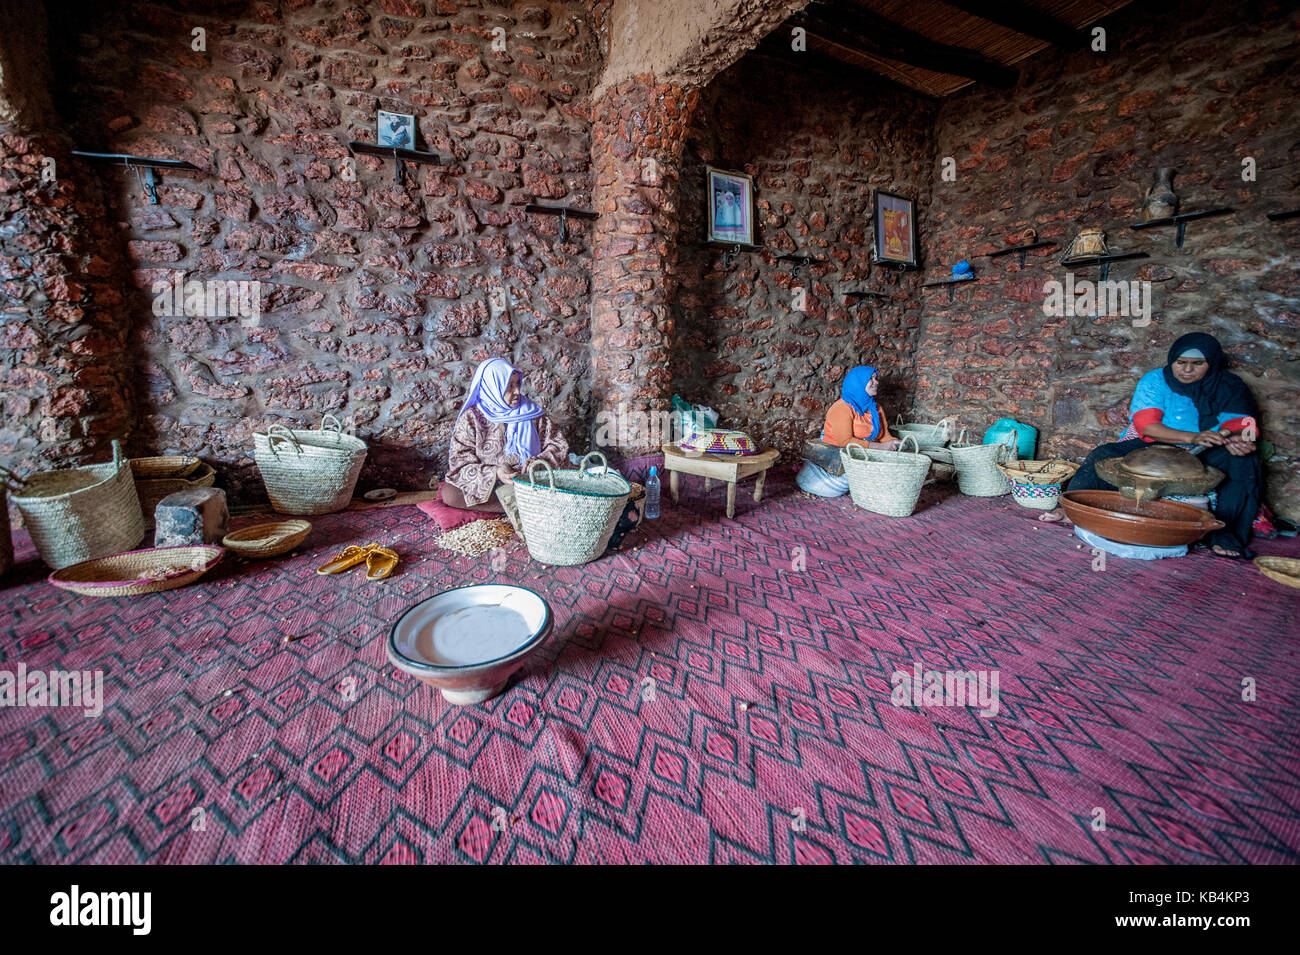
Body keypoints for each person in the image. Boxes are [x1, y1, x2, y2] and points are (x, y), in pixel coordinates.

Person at [1040, 332, 1262, 559]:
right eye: (1181, 363)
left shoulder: (1230, 386)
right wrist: (1192, 438)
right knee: (1103, 454)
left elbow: (1244, 424)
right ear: (1172, 360)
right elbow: (1147, 426)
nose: (1187, 370)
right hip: (1157, 444)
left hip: (1208, 450)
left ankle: (1225, 534)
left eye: (1197, 364)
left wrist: (1241, 441)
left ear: (1211, 363)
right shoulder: (1156, 381)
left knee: (1243, 462)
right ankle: (1072, 510)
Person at [444, 358, 569, 513]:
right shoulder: (472, 418)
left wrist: (538, 461)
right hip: (492, 482)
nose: (517, 391)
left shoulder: (531, 413)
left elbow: (558, 445)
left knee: (562, 482)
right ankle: (523, 504)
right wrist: (496, 473)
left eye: (517, 384)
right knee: (450, 494)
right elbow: (460, 462)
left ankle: (517, 503)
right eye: (509, 385)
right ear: (493, 386)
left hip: (530, 479)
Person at [797, 365, 902, 497]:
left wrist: (896, 443)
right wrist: (881, 447)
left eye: (876, 379)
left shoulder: (876, 409)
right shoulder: (842, 408)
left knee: (895, 470)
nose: (876, 382)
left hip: (863, 454)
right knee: (838, 487)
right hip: (839, 456)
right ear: (858, 382)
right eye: (871, 379)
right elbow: (845, 441)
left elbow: (884, 435)